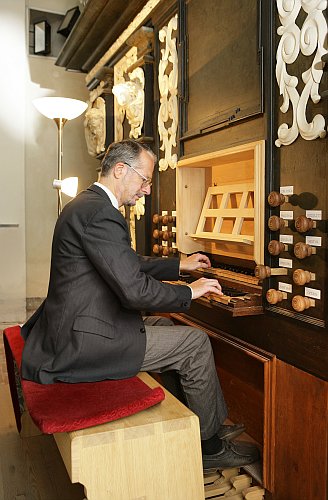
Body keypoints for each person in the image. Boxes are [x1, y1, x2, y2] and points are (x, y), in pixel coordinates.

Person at [21, 139, 259, 469]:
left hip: (75, 328)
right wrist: (190, 292)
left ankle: (192, 423)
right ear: (120, 170)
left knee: (162, 324)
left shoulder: (86, 206)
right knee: (195, 343)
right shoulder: (101, 214)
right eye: (145, 179)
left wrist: (179, 266)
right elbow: (133, 290)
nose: (147, 190)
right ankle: (209, 445)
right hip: (83, 344)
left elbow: (125, 261)